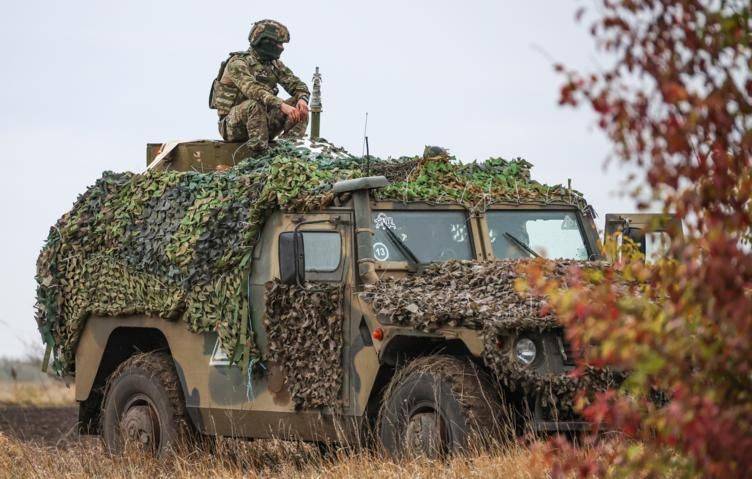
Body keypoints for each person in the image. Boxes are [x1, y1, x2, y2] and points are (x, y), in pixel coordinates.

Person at [209, 19, 310, 152]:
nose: (282, 47)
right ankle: (259, 153)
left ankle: (289, 150)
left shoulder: (273, 64)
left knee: (300, 106)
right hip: (233, 126)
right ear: (264, 42)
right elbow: (253, 89)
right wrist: (281, 105)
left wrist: (302, 99)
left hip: (264, 123)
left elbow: (296, 84)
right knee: (254, 105)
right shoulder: (238, 63)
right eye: (278, 43)